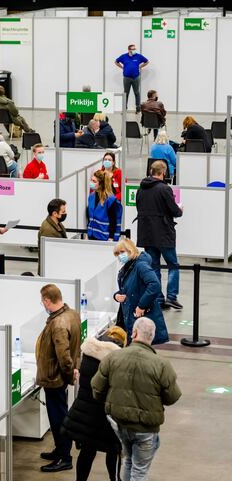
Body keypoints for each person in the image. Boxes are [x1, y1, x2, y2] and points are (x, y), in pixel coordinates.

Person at [92, 317, 182, 481]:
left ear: (133, 333)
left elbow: (96, 389)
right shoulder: (162, 365)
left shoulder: (113, 357)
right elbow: (172, 397)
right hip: (146, 428)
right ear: (151, 337)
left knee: (128, 462)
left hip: (120, 423)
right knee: (140, 471)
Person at [62, 327, 127, 481]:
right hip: (105, 413)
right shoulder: (116, 361)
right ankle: (114, 478)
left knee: (87, 451)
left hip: (85, 412)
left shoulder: (89, 353)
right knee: (113, 449)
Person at [36, 283, 82, 472]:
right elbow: (77, 346)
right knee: (59, 415)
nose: (42, 304)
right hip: (61, 377)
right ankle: (60, 449)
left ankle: (64, 457)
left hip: (55, 378)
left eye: (42, 301)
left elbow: (63, 355)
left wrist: (69, 372)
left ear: (47, 300)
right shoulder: (72, 314)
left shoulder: (58, 324)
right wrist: (74, 370)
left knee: (58, 418)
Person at [136, 159, 183, 310]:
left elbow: (139, 208)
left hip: (146, 233)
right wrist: (180, 209)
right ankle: (171, 297)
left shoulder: (141, 188)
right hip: (164, 233)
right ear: (163, 173)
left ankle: (157, 297)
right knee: (173, 265)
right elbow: (175, 211)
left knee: (154, 266)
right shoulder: (165, 189)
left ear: (151, 171)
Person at [113, 238, 170, 345]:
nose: (120, 256)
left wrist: (142, 306)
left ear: (131, 250)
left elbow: (154, 284)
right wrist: (116, 296)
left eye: (122, 252)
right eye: (118, 253)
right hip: (131, 316)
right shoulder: (127, 268)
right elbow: (126, 289)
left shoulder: (140, 265)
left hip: (140, 316)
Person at [87, 170, 122, 241]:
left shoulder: (110, 199)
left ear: (100, 184)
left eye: (94, 181)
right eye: (91, 180)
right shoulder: (91, 197)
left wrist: (111, 237)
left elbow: (113, 220)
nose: (91, 183)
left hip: (105, 237)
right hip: (92, 235)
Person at [37, 198, 67, 274]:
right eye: (63, 212)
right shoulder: (48, 230)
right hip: (51, 270)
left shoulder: (56, 223)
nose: (65, 213)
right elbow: (49, 256)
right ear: (54, 214)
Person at [115, 44, 148, 112]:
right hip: (127, 78)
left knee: (136, 93)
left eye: (135, 49)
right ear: (129, 50)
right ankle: (125, 108)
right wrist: (122, 67)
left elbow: (146, 61)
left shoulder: (138, 56)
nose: (134, 50)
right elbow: (116, 62)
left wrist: (140, 66)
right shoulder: (124, 56)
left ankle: (138, 108)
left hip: (136, 77)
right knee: (126, 93)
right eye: (133, 49)